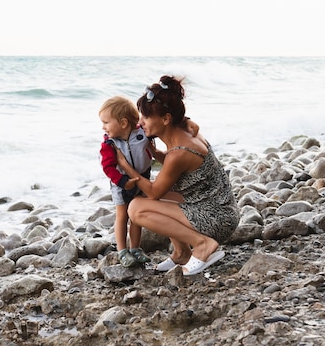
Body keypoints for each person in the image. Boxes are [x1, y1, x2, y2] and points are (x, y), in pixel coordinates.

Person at [115, 75, 239, 275]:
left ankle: (202, 244)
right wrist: (156, 154)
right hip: (214, 205)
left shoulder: (180, 152)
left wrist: (125, 166)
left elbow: (155, 192)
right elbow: (184, 169)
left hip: (217, 217)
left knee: (137, 208)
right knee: (148, 196)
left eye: (146, 117)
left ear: (166, 119)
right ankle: (181, 253)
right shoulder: (185, 129)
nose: (140, 122)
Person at [98, 96, 155, 267]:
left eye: (106, 122)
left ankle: (136, 248)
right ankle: (122, 251)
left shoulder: (142, 134)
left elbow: (159, 126)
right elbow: (108, 167)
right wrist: (123, 181)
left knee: (137, 217)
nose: (103, 127)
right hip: (121, 184)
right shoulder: (109, 144)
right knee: (122, 216)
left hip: (143, 178)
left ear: (123, 123)